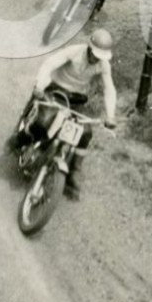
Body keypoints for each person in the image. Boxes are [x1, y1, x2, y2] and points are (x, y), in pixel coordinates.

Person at [17, 28, 120, 199]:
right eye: (95, 55)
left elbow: (109, 88)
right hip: (55, 91)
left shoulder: (103, 65)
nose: (97, 59)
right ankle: (19, 139)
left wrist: (111, 115)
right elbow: (50, 63)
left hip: (76, 100)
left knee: (85, 133)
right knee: (43, 122)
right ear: (89, 47)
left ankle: (73, 172)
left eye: (101, 57)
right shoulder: (74, 52)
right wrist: (40, 86)